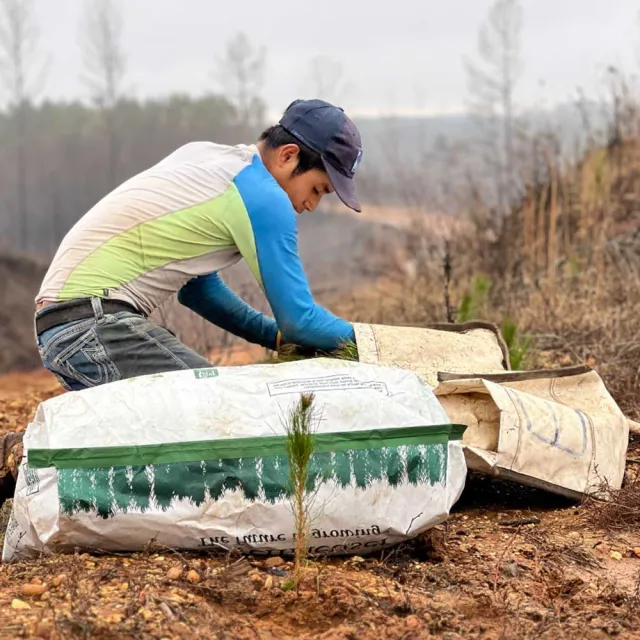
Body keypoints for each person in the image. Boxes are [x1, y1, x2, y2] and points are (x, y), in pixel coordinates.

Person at [0, 98, 363, 498]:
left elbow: (199, 290)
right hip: (94, 324)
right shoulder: (264, 197)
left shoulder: (209, 160)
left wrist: (274, 339)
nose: (311, 205)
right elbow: (300, 319)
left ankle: (16, 458)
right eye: (318, 188)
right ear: (288, 155)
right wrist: (372, 342)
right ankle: (24, 462)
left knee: (159, 433)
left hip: (67, 327)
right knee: (219, 413)